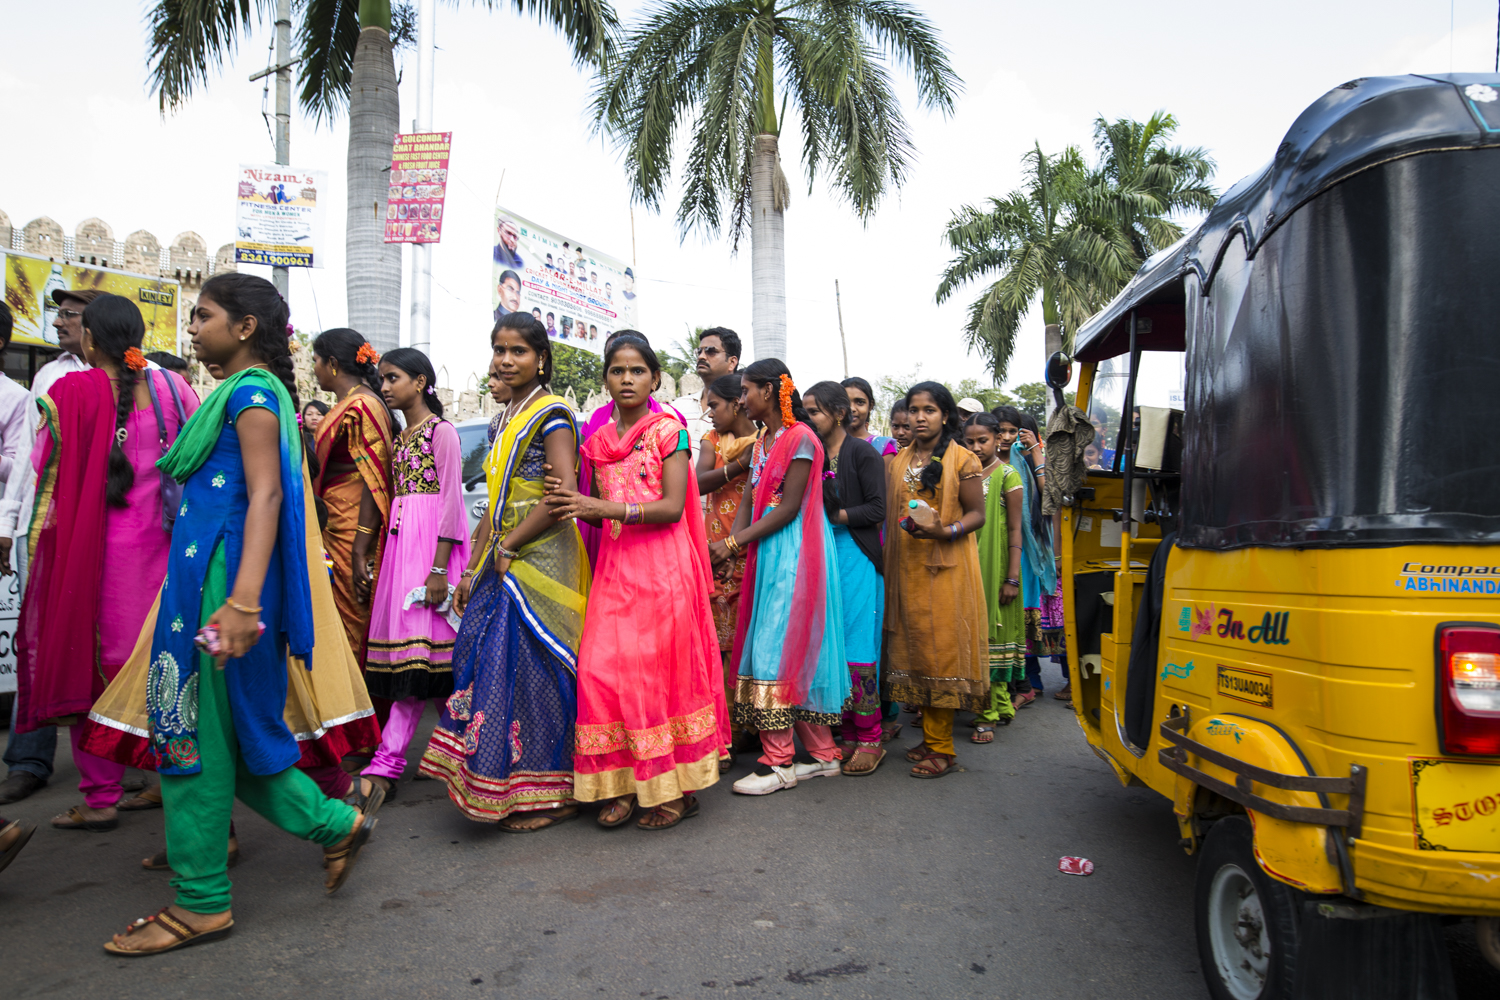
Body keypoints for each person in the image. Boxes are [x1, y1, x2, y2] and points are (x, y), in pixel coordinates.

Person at [103, 272, 376, 956]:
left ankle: (202, 903)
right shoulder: (236, 392)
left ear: (245, 327)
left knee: (186, 731)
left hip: (226, 581)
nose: (192, 328)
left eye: (203, 315)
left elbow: (265, 499)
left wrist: (243, 601)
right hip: (207, 576)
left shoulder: (252, 395)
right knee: (231, 737)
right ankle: (334, 826)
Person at [12, 294, 199, 832]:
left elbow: (41, 471)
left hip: (96, 560)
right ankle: (171, 783)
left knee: (90, 667)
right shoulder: (172, 386)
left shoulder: (69, 390)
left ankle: (100, 797)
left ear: (90, 339)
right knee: (166, 671)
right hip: (166, 558)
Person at [546, 334, 724, 829]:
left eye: (637, 371)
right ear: (605, 378)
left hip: (664, 568)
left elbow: (669, 508)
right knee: (602, 672)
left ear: (655, 379)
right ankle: (619, 782)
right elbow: (598, 512)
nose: (627, 379)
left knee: (657, 679)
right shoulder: (597, 443)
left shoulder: (670, 432)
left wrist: (603, 508)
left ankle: (674, 788)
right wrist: (567, 499)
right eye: (618, 371)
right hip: (617, 569)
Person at [420, 312, 587, 831]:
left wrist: (508, 547)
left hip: (540, 557)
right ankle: (506, 782)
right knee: (488, 664)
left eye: (518, 351)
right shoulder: (503, 417)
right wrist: (471, 567)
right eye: (499, 349)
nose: (506, 359)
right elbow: (494, 503)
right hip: (501, 557)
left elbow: (560, 496)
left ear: (541, 360)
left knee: (538, 671)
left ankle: (554, 791)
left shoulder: (552, 414)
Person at [709, 361, 849, 796]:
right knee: (787, 645)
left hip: (796, 551)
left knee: (775, 647)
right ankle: (824, 756)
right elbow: (752, 498)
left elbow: (787, 507)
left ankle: (779, 762)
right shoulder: (763, 440)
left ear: (768, 391)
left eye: (747, 391)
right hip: (766, 550)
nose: (741, 399)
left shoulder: (802, 439)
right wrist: (734, 548)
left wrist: (733, 546)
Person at [0, 288, 99, 805]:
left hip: (100, 530)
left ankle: (114, 758)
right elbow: (28, 463)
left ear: (97, 323)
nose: (59, 321)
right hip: (43, 526)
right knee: (34, 639)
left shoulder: (136, 376)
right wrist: (10, 521)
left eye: (71, 314)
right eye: (58, 313)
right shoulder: (48, 375)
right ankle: (29, 758)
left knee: (102, 639)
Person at [361, 349, 471, 798]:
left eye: (393, 378)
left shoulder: (440, 432)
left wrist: (439, 569)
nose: (385, 387)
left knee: (428, 662)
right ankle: (458, 750)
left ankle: (388, 763)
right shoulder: (402, 438)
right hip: (402, 551)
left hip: (431, 556)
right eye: (382, 379)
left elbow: (450, 503)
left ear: (421, 381)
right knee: (423, 662)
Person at [883, 381, 987, 778]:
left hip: (947, 569)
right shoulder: (898, 460)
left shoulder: (963, 459)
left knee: (940, 651)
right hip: (905, 566)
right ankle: (929, 737)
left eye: (928, 410)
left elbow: (976, 513)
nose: (919, 417)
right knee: (915, 648)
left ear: (945, 415)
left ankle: (942, 748)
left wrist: (947, 531)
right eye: (914, 410)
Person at [802, 382, 887, 775]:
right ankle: (850, 730)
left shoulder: (862, 453)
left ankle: (871, 738)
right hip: (823, 552)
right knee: (830, 642)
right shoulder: (813, 453)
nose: (808, 419)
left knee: (855, 642)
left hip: (853, 551)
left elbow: (876, 510)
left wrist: (833, 517)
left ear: (838, 413)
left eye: (814, 411)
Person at [311, 329, 395, 665]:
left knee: (352, 618)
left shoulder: (363, 405)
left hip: (352, 529)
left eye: (316, 360)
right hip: (334, 522)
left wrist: (361, 548)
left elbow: (374, 479)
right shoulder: (350, 404)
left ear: (333, 363)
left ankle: (356, 711)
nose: (313, 368)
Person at [694, 373, 757, 764]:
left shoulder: (765, 441)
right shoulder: (713, 442)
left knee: (743, 643)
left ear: (737, 403)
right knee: (717, 644)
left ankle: (745, 728)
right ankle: (723, 732)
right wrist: (737, 467)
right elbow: (698, 482)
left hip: (748, 547)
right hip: (713, 549)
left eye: (715, 405)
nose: (709, 413)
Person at [963, 412, 1024, 743]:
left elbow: (1015, 529)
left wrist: (1011, 578)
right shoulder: (962, 473)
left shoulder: (1008, 475)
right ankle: (999, 705)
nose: (976, 447)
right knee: (974, 633)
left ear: (997, 438)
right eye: (969, 441)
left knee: (992, 635)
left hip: (996, 567)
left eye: (982, 440)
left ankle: (987, 712)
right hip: (968, 563)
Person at [1009, 409, 1065, 704]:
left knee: (1052, 615)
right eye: (1004, 431)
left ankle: (1063, 682)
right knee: (1022, 619)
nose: (1010, 438)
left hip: (1041, 550)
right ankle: (1031, 682)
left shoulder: (1038, 459)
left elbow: (1051, 499)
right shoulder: (1002, 462)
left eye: (1017, 432)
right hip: (1017, 551)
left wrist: (1034, 450)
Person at [840, 377, 898, 460]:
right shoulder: (827, 445)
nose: (852, 408)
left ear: (870, 406)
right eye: (845, 402)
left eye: (860, 402)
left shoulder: (882, 447)